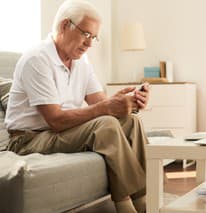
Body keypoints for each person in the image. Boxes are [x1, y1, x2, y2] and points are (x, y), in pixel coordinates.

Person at [4, 0, 149, 212]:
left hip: (60, 132)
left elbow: (100, 104)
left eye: (94, 37)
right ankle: (126, 206)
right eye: (86, 34)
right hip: (29, 139)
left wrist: (127, 102)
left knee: (131, 122)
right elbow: (55, 120)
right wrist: (108, 108)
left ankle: (144, 200)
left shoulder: (82, 61)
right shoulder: (37, 60)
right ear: (65, 26)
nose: (90, 44)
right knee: (106, 126)